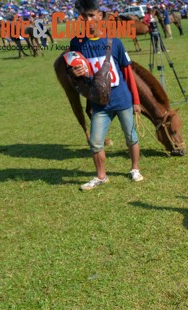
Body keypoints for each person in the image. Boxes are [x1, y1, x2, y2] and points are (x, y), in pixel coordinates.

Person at [69, 0, 143, 190]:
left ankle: (135, 168)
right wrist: (74, 74)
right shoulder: (76, 44)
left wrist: (136, 100)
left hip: (122, 99)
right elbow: (76, 75)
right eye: (84, 16)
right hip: (99, 103)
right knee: (95, 142)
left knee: (131, 136)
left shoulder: (115, 42)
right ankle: (101, 176)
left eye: (92, 15)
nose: (88, 20)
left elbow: (128, 74)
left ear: (100, 16)